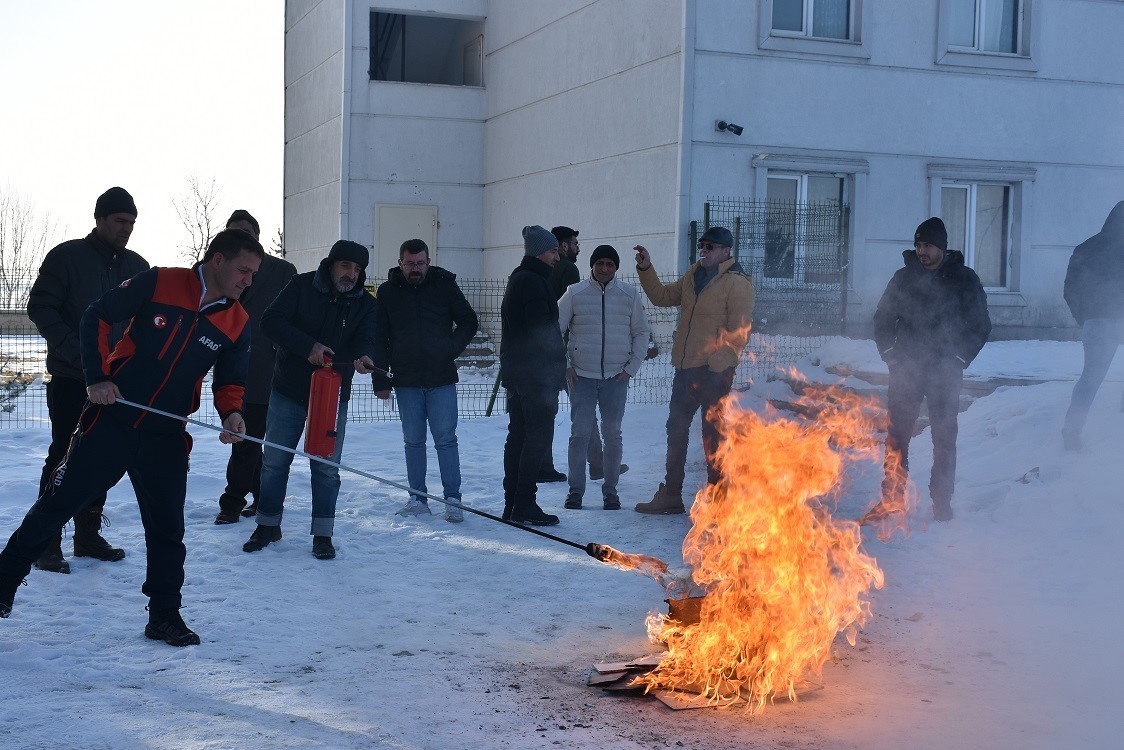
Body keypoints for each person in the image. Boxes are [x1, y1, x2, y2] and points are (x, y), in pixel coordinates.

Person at [0, 229, 264, 644]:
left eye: (253, 275)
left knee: (167, 530)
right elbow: (96, 316)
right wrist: (98, 377)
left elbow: (231, 379)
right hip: (112, 420)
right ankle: (4, 582)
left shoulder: (237, 321)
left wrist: (232, 413)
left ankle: (164, 615)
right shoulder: (161, 281)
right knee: (57, 504)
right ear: (217, 260)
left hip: (166, 435)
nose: (248, 281)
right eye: (244, 271)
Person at [25, 186, 150, 574]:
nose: (126, 229)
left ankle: (88, 535)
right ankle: (46, 541)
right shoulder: (66, 258)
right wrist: (77, 352)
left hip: (117, 383)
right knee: (63, 456)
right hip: (70, 377)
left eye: (131, 222)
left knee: (102, 457)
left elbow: (146, 324)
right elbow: (40, 307)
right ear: (99, 219)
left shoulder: (139, 267)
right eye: (119, 221)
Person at [242, 240, 379, 560]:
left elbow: (366, 338)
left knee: (326, 468)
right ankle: (268, 525)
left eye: (357, 270)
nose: (351, 275)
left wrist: (363, 356)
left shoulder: (366, 304)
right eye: (346, 266)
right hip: (289, 389)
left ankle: (323, 533)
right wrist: (308, 347)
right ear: (331, 264)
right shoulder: (300, 286)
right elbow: (270, 321)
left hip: (332, 397)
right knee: (275, 462)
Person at [873, 217, 992, 522]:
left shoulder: (963, 278)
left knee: (944, 436)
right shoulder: (903, 278)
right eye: (918, 245)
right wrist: (891, 355)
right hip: (907, 369)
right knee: (897, 435)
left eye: (927, 245)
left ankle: (942, 501)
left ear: (941, 246)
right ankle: (892, 498)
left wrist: (958, 358)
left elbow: (979, 324)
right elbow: (883, 317)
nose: (921, 251)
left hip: (944, 371)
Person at [632, 227, 755, 514]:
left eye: (711, 246)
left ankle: (718, 497)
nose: (705, 250)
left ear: (726, 251)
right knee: (675, 430)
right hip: (686, 370)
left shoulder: (738, 283)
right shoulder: (693, 275)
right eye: (702, 246)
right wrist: (646, 268)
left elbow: (740, 331)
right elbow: (662, 296)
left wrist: (717, 363)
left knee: (712, 434)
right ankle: (671, 494)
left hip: (715, 372)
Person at [373, 239, 479, 522]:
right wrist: (380, 379)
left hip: (441, 377)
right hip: (406, 380)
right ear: (400, 263)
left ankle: (453, 499)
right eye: (409, 263)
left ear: (428, 262)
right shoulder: (387, 293)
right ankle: (417, 498)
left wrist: (451, 348)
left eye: (420, 263)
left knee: (446, 440)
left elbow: (469, 320)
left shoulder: (444, 286)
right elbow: (378, 337)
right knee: (413, 441)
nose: (415, 268)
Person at [214, 210, 297, 524]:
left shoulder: (281, 271)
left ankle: (233, 502)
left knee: (249, 442)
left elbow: (294, 316)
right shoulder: (219, 270)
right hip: (230, 368)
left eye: (247, 232)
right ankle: (261, 498)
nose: (242, 236)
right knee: (246, 441)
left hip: (268, 372)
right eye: (235, 231)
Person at [558, 244, 650, 511]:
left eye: (610, 264)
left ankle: (611, 491)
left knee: (612, 435)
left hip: (615, 378)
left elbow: (642, 333)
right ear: (592, 266)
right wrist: (565, 365)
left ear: (616, 268)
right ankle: (575, 492)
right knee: (579, 435)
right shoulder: (574, 293)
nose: (605, 269)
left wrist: (630, 368)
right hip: (581, 377)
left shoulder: (629, 295)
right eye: (600, 264)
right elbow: (556, 328)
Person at [500, 226, 566, 526]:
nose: (558, 255)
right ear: (540, 252)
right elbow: (543, 333)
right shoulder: (534, 282)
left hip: (520, 374)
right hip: (536, 378)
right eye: (553, 250)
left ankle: (513, 503)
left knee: (519, 438)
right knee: (532, 441)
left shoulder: (521, 278)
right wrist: (556, 369)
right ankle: (523, 504)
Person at [1062, 201, 1124, 451]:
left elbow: (1069, 289)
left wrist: (1084, 317)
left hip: (1096, 321)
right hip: (1112, 317)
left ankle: (1072, 430)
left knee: (1090, 377)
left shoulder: (1086, 248)